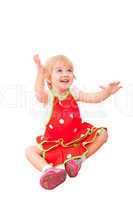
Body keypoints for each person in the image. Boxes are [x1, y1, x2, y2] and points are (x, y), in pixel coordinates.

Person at [25, 54, 122, 190]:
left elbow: (93, 97)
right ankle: (48, 170)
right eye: (59, 70)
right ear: (49, 78)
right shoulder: (48, 96)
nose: (65, 74)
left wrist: (107, 92)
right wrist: (40, 74)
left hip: (75, 137)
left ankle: (78, 161)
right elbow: (38, 92)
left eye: (69, 70)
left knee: (103, 134)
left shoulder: (74, 92)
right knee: (30, 151)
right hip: (54, 142)